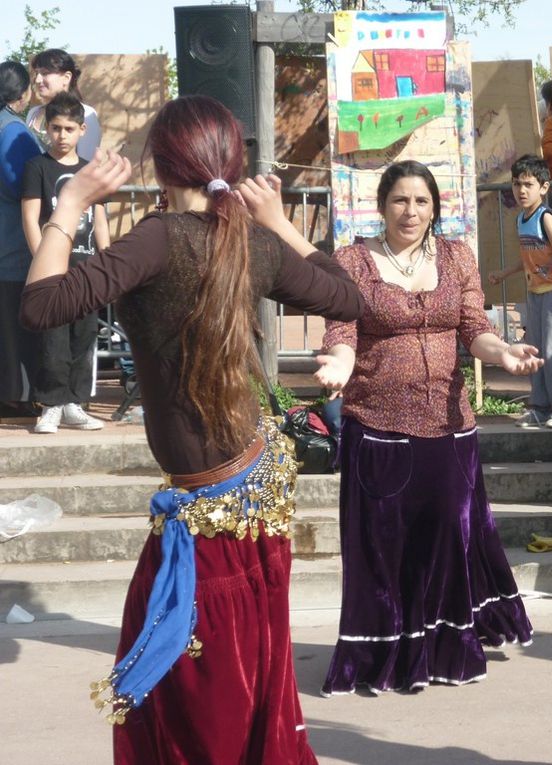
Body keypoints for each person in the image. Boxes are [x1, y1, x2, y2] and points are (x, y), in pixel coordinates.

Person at [19, 95, 363, 763]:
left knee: (200, 696)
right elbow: (349, 295)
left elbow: (41, 303)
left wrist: (70, 205)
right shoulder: (247, 238)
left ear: (161, 163)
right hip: (249, 501)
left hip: (217, 515)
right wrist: (279, 223)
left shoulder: (159, 239)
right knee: (228, 684)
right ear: (229, 163)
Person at [317, 159, 539, 696]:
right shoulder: (351, 259)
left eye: (420, 201)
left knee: (444, 541)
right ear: (382, 206)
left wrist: (504, 352)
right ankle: (382, 658)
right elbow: (341, 328)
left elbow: (475, 329)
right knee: (382, 549)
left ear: (434, 207)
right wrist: (339, 364)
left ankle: (441, 649)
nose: (410, 211)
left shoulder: (458, 255)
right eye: (400, 200)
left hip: (449, 427)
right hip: (378, 428)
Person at [21, 93, 109, 433]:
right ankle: (51, 406)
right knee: (52, 339)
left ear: (82, 129)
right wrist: (43, 262)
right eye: (55, 128)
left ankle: (75, 403)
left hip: (87, 269)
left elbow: (100, 219)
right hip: (52, 270)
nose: (61, 136)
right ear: (46, 128)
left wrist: (107, 263)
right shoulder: (37, 167)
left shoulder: (91, 172)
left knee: (83, 336)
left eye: (68, 129)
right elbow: (31, 218)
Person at [489, 154, 552, 429]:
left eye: (527, 184)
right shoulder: (521, 219)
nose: (521, 190)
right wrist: (503, 273)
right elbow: (528, 258)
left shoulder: (545, 217)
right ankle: (541, 408)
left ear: (543, 187)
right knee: (533, 351)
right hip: (534, 293)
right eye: (516, 184)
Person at [0, 60, 42, 416]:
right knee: (14, 324)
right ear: (23, 93)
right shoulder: (14, 131)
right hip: (11, 245)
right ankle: (15, 395)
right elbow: (22, 185)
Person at [26, 49, 101, 161]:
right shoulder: (33, 114)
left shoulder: (86, 114)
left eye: (45, 73)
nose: (38, 80)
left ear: (66, 77)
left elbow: (87, 163)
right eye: (37, 73)